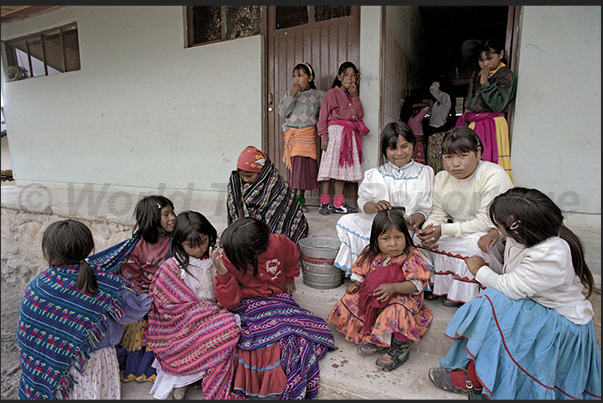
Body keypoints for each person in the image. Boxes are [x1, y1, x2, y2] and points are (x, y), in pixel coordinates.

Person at [428, 187, 601, 400]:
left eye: (498, 225)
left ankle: (474, 379)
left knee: (493, 302)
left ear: (516, 229)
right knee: (495, 303)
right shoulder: (529, 235)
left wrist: (478, 270)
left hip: (561, 322)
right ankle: (479, 373)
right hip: (539, 306)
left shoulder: (551, 253)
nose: (497, 228)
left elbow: (510, 287)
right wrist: (494, 233)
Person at [17, 220, 151, 400]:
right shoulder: (106, 282)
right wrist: (149, 292)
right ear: (88, 247)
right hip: (97, 364)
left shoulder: (38, 286)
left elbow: (27, 336)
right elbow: (133, 311)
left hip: (54, 364)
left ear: (48, 251)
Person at [210, 217, 335, 399]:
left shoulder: (278, 243)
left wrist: (291, 279)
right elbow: (229, 302)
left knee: (290, 336)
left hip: (278, 297)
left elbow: (292, 257)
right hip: (247, 302)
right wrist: (222, 273)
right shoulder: (229, 257)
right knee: (247, 341)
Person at [146, 211, 242, 400]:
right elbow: (166, 308)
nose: (199, 249)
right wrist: (196, 314)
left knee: (229, 326)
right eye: (191, 245)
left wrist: (222, 271)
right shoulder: (172, 267)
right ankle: (182, 380)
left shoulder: (220, 258)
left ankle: (197, 377)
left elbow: (231, 301)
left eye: (203, 242)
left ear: (210, 236)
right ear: (179, 242)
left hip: (214, 318)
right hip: (182, 327)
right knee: (220, 329)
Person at [416, 126, 513, 307]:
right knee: (416, 240)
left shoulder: (493, 175)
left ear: (478, 153)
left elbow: (486, 222)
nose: (455, 163)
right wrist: (428, 230)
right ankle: (438, 287)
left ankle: (465, 292)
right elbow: (438, 213)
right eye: (448, 157)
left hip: (487, 235)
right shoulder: (442, 178)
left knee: (474, 244)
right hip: (457, 232)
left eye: (463, 155)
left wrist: (443, 229)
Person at [328, 209, 434, 372]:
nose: (393, 243)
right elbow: (361, 271)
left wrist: (394, 288)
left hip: (402, 295)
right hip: (377, 294)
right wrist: (357, 283)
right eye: (386, 239)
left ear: (406, 237)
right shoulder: (372, 253)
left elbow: (416, 284)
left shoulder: (410, 256)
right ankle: (374, 336)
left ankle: (401, 348)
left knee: (397, 309)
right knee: (353, 298)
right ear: (376, 239)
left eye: (398, 237)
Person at [334, 121, 434, 279]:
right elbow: (363, 203)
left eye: (405, 146)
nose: (399, 153)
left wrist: (415, 219)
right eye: (393, 148)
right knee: (347, 221)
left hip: (408, 228)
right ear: (385, 150)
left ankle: (405, 275)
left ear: (413, 145)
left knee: (424, 236)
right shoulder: (376, 174)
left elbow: (425, 207)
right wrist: (374, 206)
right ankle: (368, 270)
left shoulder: (425, 172)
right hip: (380, 225)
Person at [117, 195, 176, 383]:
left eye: (173, 212)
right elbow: (130, 276)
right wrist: (139, 293)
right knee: (139, 321)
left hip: (172, 293)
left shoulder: (175, 240)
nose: (173, 217)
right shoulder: (137, 246)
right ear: (152, 219)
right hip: (146, 296)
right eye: (166, 214)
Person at [456, 38, 517, 182]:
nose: (485, 63)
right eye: (481, 59)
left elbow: (498, 105)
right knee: (470, 160)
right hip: (474, 123)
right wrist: (483, 44)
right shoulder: (478, 69)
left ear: (501, 54)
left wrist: (485, 84)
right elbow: (466, 46)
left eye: (489, 58)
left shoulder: (505, 74)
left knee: (488, 162)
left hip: (491, 125)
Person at [316, 61, 370, 215]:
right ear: (339, 76)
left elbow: (357, 115)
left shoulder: (353, 95)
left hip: (347, 137)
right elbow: (322, 118)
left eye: (353, 76)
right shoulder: (331, 94)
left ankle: (338, 204)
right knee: (327, 170)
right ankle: (324, 203)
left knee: (340, 170)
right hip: (333, 135)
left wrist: (355, 96)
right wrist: (324, 137)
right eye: (346, 75)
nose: (349, 78)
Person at [226, 145, 308, 244]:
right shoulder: (237, 181)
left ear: (262, 172)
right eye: (242, 176)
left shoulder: (277, 186)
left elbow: (277, 215)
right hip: (250, 223)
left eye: (249, 176)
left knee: (272, 245)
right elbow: (235, 206)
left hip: (271, 223)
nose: (245, 179)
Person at [278, 62, 325, 212]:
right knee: (295, 168)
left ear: (310, 78)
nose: (296, 80)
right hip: (294, 136)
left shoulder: (318, 95)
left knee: (305, 169)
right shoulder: (289, 94)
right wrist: (291, 95)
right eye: (294, 76)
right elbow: (282, 112)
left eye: (300, 76)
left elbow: (327, 110)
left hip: (308, 135)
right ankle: (292, 201)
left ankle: (301, 200)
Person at [425, 75, 455, 176]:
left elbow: (433, 89)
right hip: (435, 133)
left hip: (438, 133)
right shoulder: (440, 101)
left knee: (436, 160)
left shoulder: (446, 97)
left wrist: (436, 80)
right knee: (433, 160)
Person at [399, 95, 429, 164]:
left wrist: (410, 105)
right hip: (418, 143)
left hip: (410, 143)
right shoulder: (417, 119)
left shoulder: (407, 119)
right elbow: (426, 106)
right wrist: (414, 105)